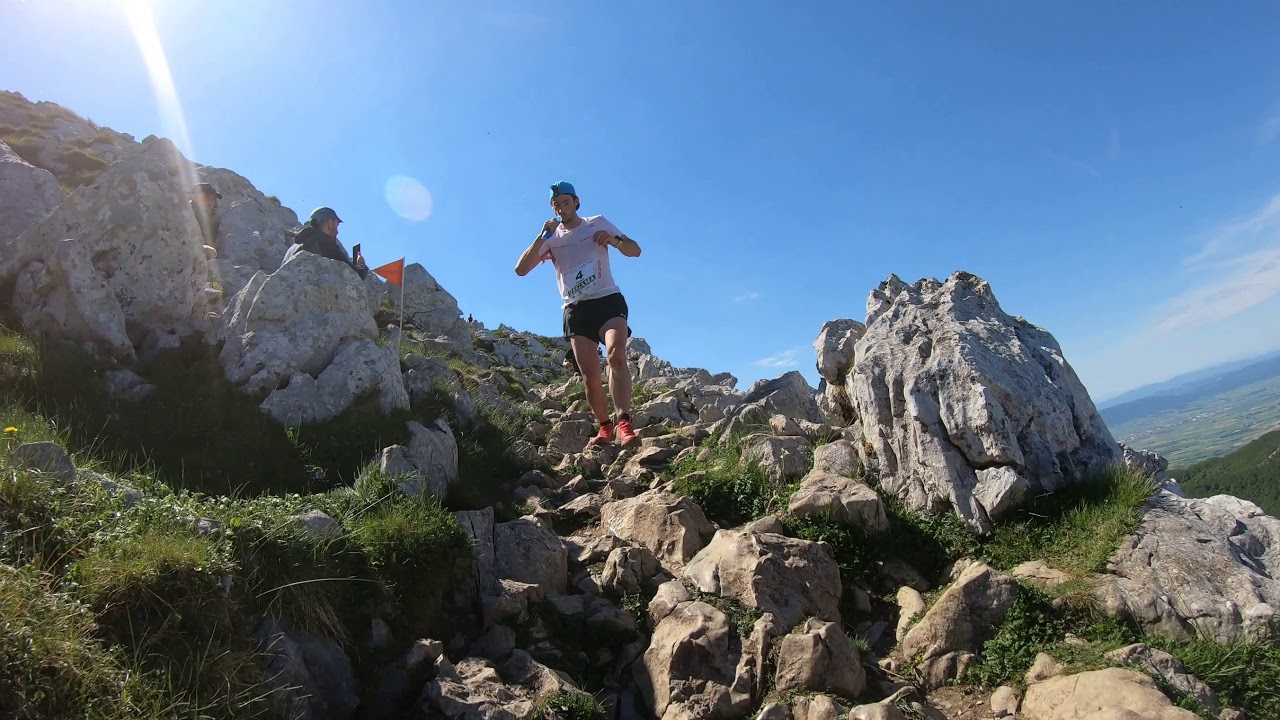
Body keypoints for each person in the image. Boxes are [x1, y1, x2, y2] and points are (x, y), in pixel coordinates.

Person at [515, 181, 642, 446]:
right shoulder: (551, 239)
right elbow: (521, 269)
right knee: (590, 375)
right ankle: (605, 426)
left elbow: (635, 251)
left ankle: (624, 423)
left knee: (616, 356)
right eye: (556, 204)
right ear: (553, 207)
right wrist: (542, 237)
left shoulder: (597, 223)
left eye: (566, 202)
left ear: (576, 202)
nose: (561, 208)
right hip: (576, 309)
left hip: (608, 299)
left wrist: (614, 240)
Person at [281, 207, 368, 279]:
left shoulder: (291, 249)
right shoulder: (324, 243)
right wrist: (361, 265)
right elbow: (356, 276)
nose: (337, 232)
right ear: (330, 223)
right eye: (336, 226)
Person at [190, 182, 222, 249]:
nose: (210, 201)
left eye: (213, 198)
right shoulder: (185, 211)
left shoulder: (213, 220)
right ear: (194, 197)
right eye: (206, 196)